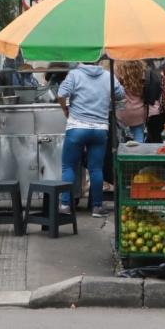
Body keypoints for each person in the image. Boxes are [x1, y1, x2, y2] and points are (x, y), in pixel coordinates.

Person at [57, 61, 125, 218]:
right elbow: (120, 95)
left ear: (81, 60)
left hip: (77, 128)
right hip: (100, 129)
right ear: (96, 60)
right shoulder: (108, 76)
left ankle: (65, 205)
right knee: (96, 169)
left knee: (69, 167)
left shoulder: (74, 74)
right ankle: (97, 207)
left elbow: (61, 94)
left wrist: (65, 109)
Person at [114, 60, 163, 143]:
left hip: (122, 110)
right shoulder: (142, 67)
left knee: (119, 136)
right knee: (138, 133)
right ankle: (137, 155)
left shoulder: (117, 67)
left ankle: (122, 154)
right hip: (139, 110)